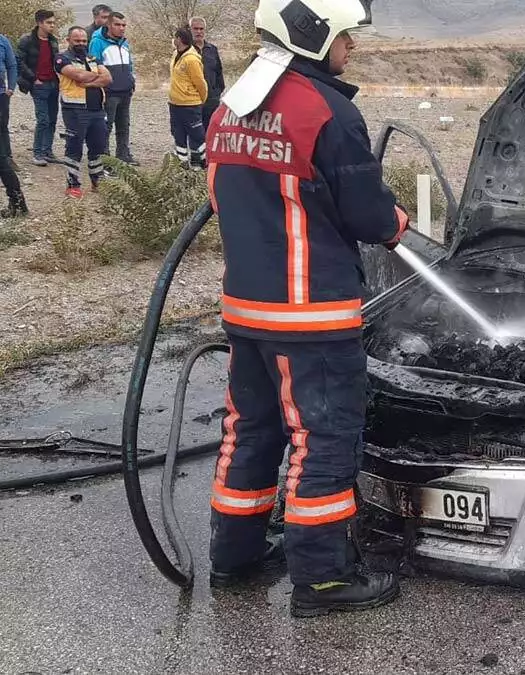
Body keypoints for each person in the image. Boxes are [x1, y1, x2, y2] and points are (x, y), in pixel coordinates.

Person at [206, 0, 410, 618]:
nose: (351, 45)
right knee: (323, 440)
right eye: (345, 34)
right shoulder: (325, 109)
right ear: (314, 35)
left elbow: (225, 194)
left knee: (250, 430)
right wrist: (395, 221)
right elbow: (367, 212)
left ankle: (234, 557)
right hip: (311, 318)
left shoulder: (232, 103)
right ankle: (323, 579)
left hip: (247, 309)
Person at [55, 26, 111, 197]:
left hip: (97, 110)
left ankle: (97, 181)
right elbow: (76, 76)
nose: (81, 43)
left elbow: (108, 78)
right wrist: (94, 77)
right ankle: (73, 185)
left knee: (98, 147)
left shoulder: (92, 57)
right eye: (77, 40)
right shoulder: (61, 58)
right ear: (68, 40)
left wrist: (89, 81)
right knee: (74, 147)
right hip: (75, 110)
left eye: (84, 41)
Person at [89, 10, 137, 166]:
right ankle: (106, 159)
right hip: (109, 92)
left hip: (125, 91)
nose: (121, 28)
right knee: (106, 126)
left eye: (124, 25)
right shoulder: (97, 42)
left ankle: (123, 155)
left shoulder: (125, 42)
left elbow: (130, 64)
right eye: (117, 24)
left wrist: (132, 80)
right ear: (109, 25)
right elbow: (93, 65)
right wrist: (100, 86)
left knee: (124, 125)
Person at [16, 10, 59, 166]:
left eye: (53, 22)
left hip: (54, 84)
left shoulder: (53, 41)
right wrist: (34, 79)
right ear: (39, 23)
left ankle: (47, 151)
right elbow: (19, 61)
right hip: (39, 84)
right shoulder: (27, 40)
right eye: (49, 22)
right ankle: (37, 153)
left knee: (53, 119)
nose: (52, 25)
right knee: (43, 120)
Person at [168, 27, 207, 169]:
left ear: (179, 39)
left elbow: (201, 83)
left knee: (196, 135)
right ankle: (181, 164)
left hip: (190, 104)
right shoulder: (175, 54)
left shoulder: (191, 59)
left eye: (175, 37)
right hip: (174, 104)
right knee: (178, 134)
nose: (173, 40)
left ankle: (201, 163)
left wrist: (201, 100)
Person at [0, 31, 28, 217]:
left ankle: (18, 203)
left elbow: (11, 65)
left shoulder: (3, 41)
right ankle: (18, 203)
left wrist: (10, 88)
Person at [189, 17, 225, 131]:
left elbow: (219, 72)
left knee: (211, 131)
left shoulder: (212, 49)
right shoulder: (186, 50)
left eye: (201, 29)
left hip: (211, 99)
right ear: (190, 30)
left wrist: (217, 92)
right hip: (193, 100)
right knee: (195, 133)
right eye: (195, 29)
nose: (199, 32)